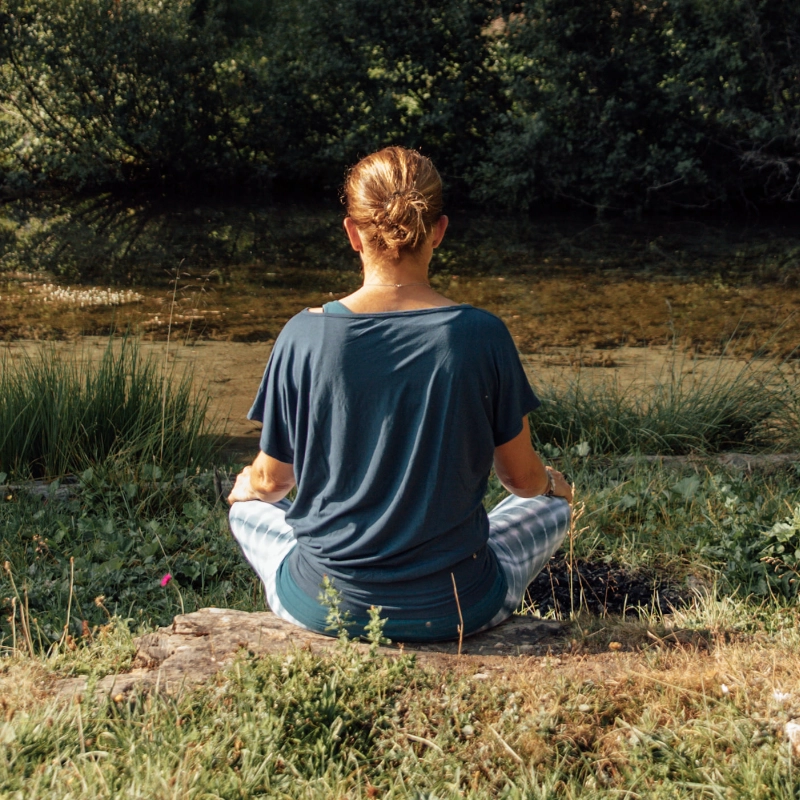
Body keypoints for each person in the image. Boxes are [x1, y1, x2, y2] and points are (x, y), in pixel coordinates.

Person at [227, 146, 572, 642]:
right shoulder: (481, 334)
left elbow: (273, 483)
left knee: (248, 508)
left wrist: (248, 489)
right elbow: (520, 479)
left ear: (352, 233)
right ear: (439, 230)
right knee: (549, 505)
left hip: (323, 604)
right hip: (459, 605)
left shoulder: (303, 335)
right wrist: (554, 487)